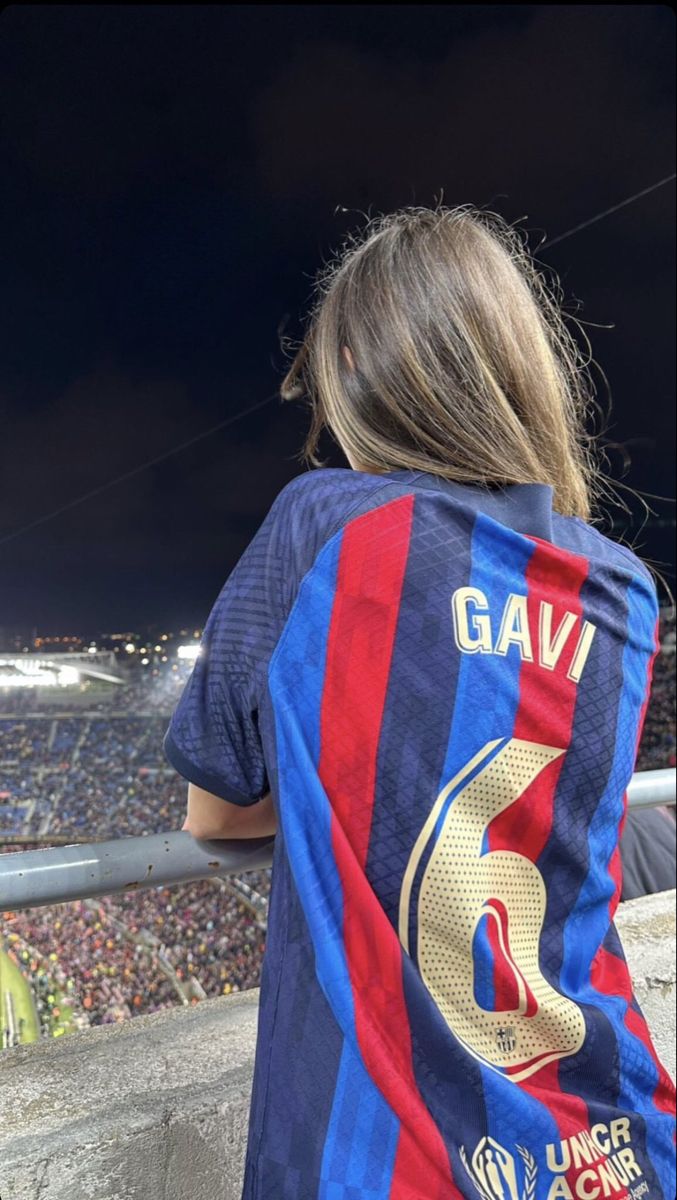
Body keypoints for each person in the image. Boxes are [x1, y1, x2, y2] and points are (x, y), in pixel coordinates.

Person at [164, 206, 676, 1200]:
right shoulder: (619, 585)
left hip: (389, 1169)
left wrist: (344, 787)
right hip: (611, 1151)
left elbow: (214, 811)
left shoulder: (320, 527)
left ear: (356, 366)